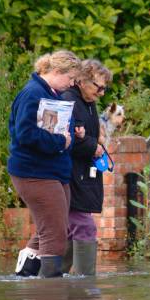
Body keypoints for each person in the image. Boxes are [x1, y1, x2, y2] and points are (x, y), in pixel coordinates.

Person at [9, 50, 82, 278]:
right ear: (57, 71)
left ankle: (25, 274)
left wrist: (70, 137)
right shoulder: (32, 93)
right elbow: (26, 134)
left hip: (55, 172)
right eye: (70, 78)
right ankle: (50, 293)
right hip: (34, 173)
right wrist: (61, 141)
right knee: (55, 235)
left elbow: (62, 131)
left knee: (55, 227)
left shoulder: (54, 95)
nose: (71, 84)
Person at [60, 59, 112, 275]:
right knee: (84, 226)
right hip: (70, 175)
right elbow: (65, 138)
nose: (101, 93)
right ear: (81, 80)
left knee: (70, 230)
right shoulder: (68, 101)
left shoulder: (88, 101)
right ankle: (83, 283)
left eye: (104, 89)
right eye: (98, 87)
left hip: (84, 175)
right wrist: (93, 146)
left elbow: (86, 134)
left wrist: (96, 139)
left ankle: (57, 278)